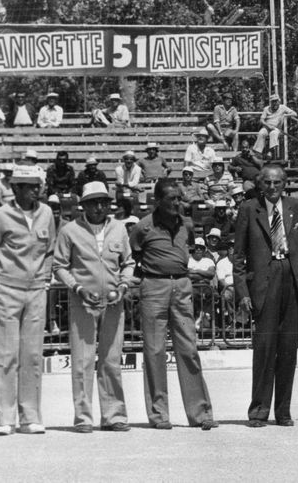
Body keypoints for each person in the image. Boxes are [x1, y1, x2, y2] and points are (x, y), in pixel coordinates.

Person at [232, 164, 298, 427]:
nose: (272, 187)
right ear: (260, 184)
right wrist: (243, 291)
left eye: (277, 182)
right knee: (264, 349)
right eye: (267, 182)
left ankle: (283, 411)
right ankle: (259, 411)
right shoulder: (249, 209)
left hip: (292, 280)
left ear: (284, 183)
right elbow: (238, 256)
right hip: (264, 282)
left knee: (288, 349)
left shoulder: (297, 207)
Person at [128, 179, 219, 431]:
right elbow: (134, 253)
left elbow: (185, 249)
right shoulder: (143, 227)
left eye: (179, 198)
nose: (177, 203)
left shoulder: (186, 225)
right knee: (155, 351)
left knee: (189, 348)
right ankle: (159, 414)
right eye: (172, 199)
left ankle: (200, 413)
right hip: (153, 286)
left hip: (181, 285)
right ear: (158, 201)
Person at [53, 181, 134, 433]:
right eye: (93, 203)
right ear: (84, 206)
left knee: (111, 360)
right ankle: (83, 418)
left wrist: (123, 286)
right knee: (82, 361)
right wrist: (77, 288)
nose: (99, 207)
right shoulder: (70, 230)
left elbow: (128, 262)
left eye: (103, 202)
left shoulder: (119, 228)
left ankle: (114, 415)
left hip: (113, 302)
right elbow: (59, 266)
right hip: (83, 303)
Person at [0, 166, 56, 436]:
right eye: (29, 186)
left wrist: (45, 278)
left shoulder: (46, 213)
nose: (36, 190)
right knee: (6, 354)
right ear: (15, 189)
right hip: (7, 288)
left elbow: (50, 250)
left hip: (36, 290)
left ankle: (30, 417)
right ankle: (4, 418)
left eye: (37, 185)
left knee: (32, 355)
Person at [254, 94, 296, 160]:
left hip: (276, 128)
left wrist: (285, 115)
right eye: (273, 101)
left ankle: (270, 152)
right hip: (267, 127)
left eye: (276, 101)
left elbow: (295, 114)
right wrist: (268, 126)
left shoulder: (283, 107)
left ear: (279, 101)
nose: (275, 103)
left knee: (273, 133)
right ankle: (258, 152)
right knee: (261, 133)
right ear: (271, 102)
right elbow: (261, 120)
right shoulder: (266, 109)